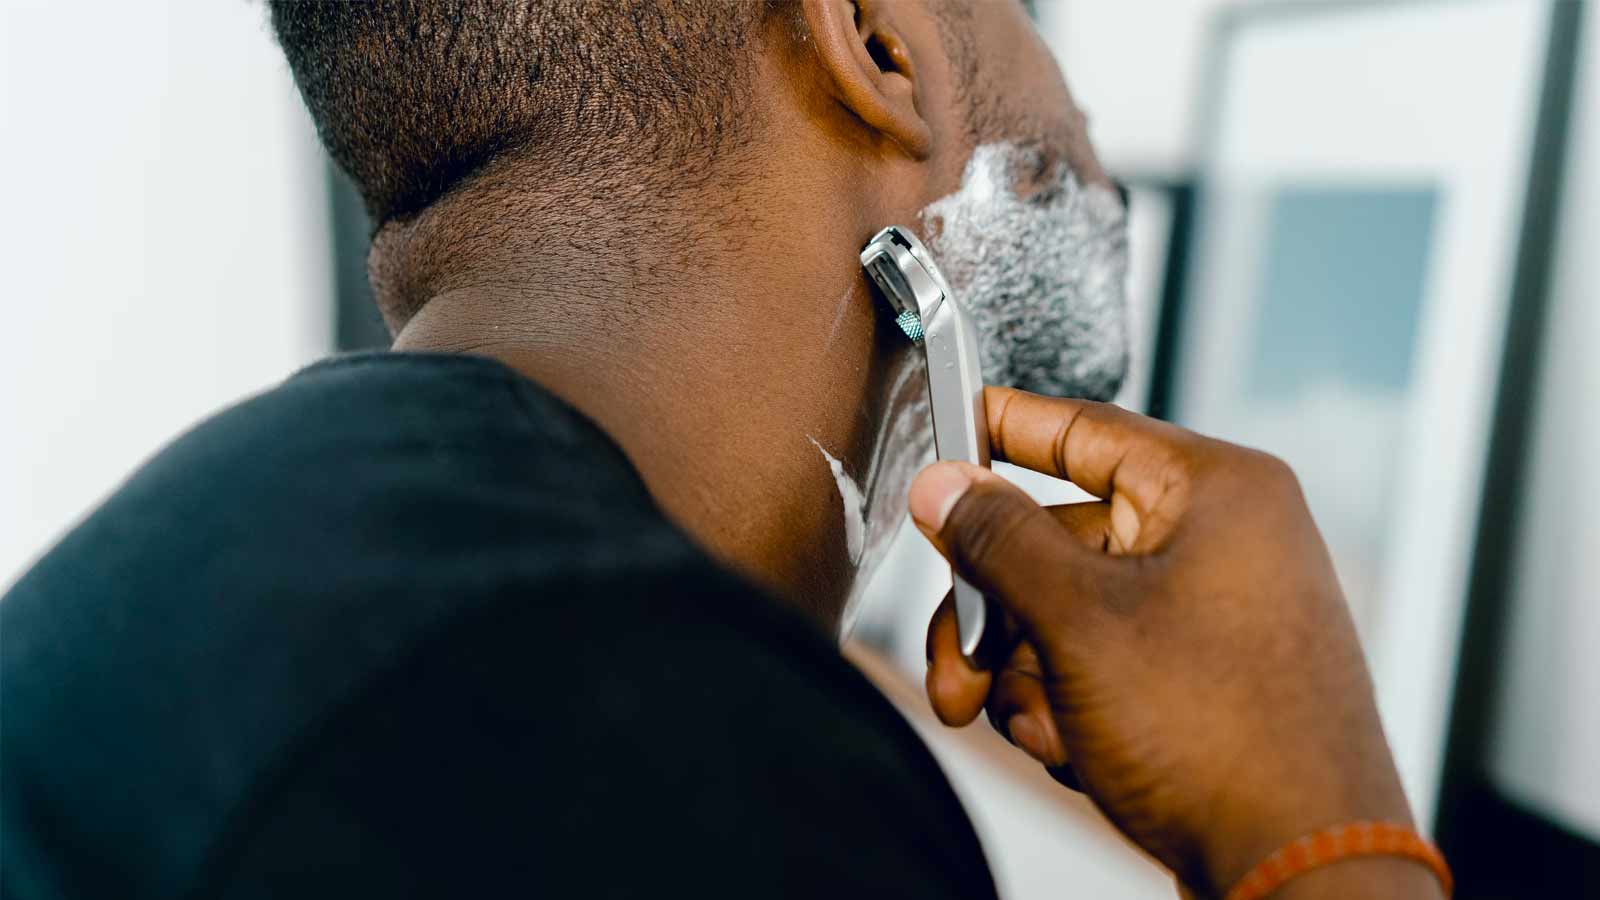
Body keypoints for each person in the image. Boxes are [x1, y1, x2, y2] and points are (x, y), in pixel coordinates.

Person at [0, 2, 1445, 898]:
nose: (1080, 99)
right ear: (878, 45)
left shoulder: (277, 534)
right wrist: (1327, 837)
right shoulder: (644, 757)